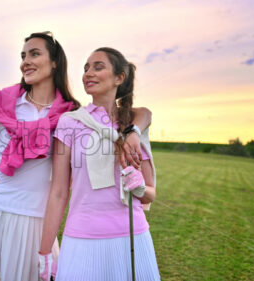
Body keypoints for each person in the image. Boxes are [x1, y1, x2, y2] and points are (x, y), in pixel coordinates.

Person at [0, 32, 152, 281]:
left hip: (34, 215)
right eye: (23, 56)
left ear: (54, 62)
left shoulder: (70, 112)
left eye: (34, 53)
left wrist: (134, 131)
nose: (25, 61)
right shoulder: (4, 100)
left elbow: (138, 112)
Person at [38, 47, 160, 281]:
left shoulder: (135, 124)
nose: (88, 73)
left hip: (132, 236)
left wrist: (140, 188)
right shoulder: (70, 122)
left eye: (98, 67)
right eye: (85, 68)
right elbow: (59, 192)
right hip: (82, 237)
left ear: (119, 78)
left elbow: (150, 195)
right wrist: (45, 252)